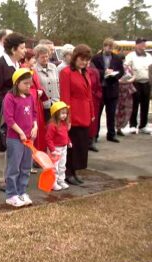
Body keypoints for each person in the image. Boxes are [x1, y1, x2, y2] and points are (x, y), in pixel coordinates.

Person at [0, 32, 26, 191]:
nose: (25, 51)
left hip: (16, 112)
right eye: (22, 48)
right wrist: (6, 105)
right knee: (1, 144)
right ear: (13, 49)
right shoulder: (0, 64)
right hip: (2, 112)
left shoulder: (17, 64)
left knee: (13, 144)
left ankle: (11, 175)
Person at [59, 44, 94, 186]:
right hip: (73, 113)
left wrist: (92, 112)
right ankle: (68, 172)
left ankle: (74, 171)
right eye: (81, 58)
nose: (84, 62)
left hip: (85, 113)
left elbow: (89, 95)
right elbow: (65, 97)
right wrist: (67, 117)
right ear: (75, 57)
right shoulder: (66, 72)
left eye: (86, 59)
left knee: (81, 145)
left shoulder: (85, 72)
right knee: (71, 145)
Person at [4, 68, 37, 207]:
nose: (28, 86)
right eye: (25, 83)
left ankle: (22, 191)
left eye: (30, 83)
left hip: (29, 138)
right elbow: (9, 119)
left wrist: (35, 127)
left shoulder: (30, 97)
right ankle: (11, 194)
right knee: (14, 167)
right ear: (17, 83)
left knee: (26, 166)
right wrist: (21, 133)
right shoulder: (10, 97)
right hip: (15, 138)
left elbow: (34, 114)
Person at [91, 38, 124, 143]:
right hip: (100, 88)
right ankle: (95, 135)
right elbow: (93, 70)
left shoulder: (117, 58)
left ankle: (111, 134)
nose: (109, 49)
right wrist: (104, 72)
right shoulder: (96, 58)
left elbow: (121, 71)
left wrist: (114, 75)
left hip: (112, 88)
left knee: (111, 113)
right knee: (97, 114)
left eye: (111, 47)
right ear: (104, 46)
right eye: (108, 47)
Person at [124, 38, 152, 134]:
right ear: (137, 45)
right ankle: (133, 125)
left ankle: (143, 126)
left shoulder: (148, 56)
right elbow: (126, 67)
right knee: (134, 104)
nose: (144, 46)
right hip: (135, 82)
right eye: (142, 44)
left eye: (145, 44)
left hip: (146, 82)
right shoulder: (131, 56)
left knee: (145, 105)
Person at [45, 101, 72, 191]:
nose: (65, 115)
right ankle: (53, 182)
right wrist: (52, 150)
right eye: (62, 113)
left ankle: (61, 180)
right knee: (54, 167)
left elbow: (65, 134)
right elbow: (48, 139)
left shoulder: (64, 123)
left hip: (63, 148)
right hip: (55, 149)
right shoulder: (52, 125)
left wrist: (68, 142)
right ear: (56, 114)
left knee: (62, 165)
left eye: (66, 113)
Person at [34, 44, 60, 122]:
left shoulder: (53, 67)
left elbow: (58, 84)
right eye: (42, 57)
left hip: (56, 103)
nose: (45, 59)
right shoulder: (34, 70)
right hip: (43, 106)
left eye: (47, 56)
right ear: (37, 57)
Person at [116, 58, 136, 136]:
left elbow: (134, 76)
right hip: (118, 91)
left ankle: (120, 127)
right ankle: (117, 127)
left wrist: (130, 80)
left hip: (127, 91)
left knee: (126, 110)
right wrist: (120, 81)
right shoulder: (115, 67)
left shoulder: (127, 68)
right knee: (117, 111)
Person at [87, 62, 103, 152]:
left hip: (94, 99)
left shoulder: (94, 71)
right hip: (83, 100)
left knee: (94, 122)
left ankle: (91, 141)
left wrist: (98, 95)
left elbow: (98, 85)